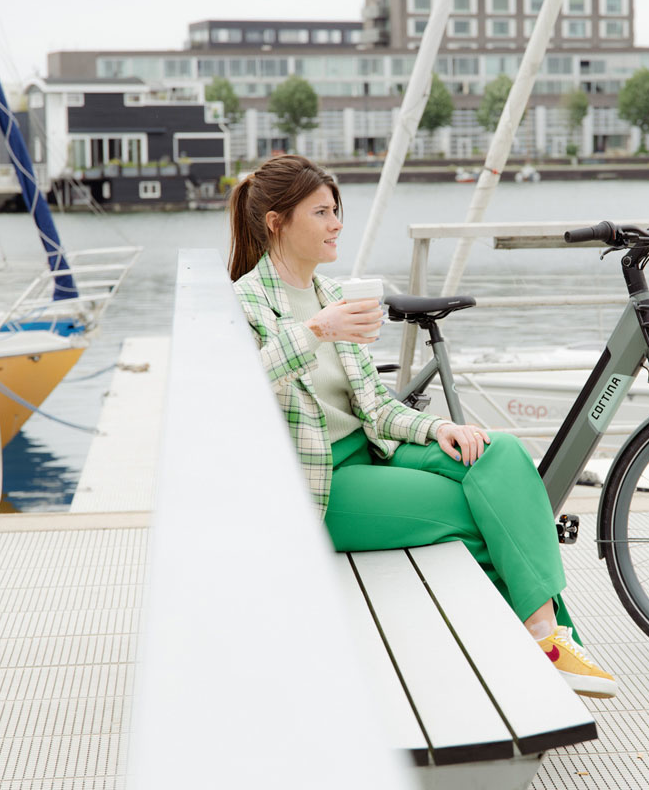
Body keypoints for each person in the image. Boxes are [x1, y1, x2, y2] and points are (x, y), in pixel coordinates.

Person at [229, 154, 616, 699]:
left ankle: (544, 641)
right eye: (321, 213)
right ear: (277, 222)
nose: (337, 224)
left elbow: (375, 405)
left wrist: (436, 429)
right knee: (485, 515)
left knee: (501, 452)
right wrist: (316, 331)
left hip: (373, 450)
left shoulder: (331, 294)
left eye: (336, 210)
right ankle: (548, 644)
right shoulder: (245, 301)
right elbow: (239, 385)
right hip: (321, 483)